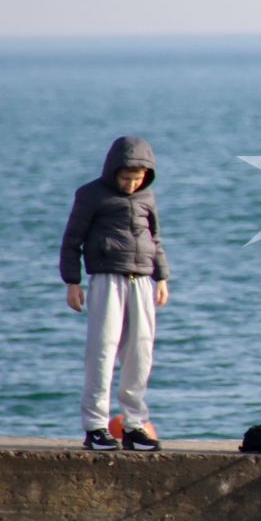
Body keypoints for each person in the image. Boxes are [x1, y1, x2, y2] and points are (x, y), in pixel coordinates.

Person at [59, 136, 169, 452]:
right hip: (106, 279)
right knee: (102, 352)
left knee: (140, 354)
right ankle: (96, 426)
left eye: (137, 178)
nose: (132, 184)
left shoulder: (147, 196)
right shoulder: (90, 195)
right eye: (126, 177)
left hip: (143, 281)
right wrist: (72, 281)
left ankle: (133, 424)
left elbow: (155, 238)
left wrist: (162, 277)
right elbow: (71, 241)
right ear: (113, 171)